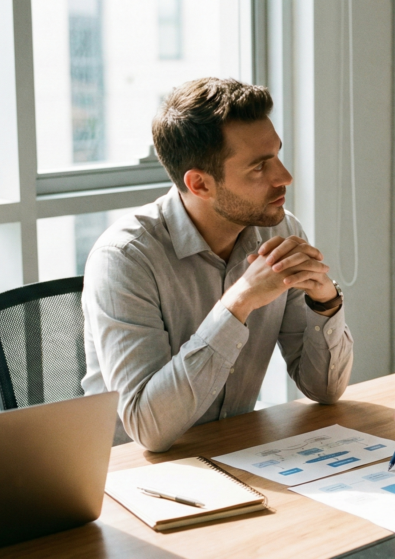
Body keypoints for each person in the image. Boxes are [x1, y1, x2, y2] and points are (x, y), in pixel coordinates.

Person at [82, 77, 353, 452]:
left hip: (236, 452)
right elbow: (148, 430)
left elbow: (324, 390)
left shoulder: (282, 228)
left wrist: (325, 302)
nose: (284, 177)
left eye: (277, 154)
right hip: (133, 477)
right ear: (200, 184)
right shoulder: (125, 259)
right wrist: (236, 304)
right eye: (259, 167)